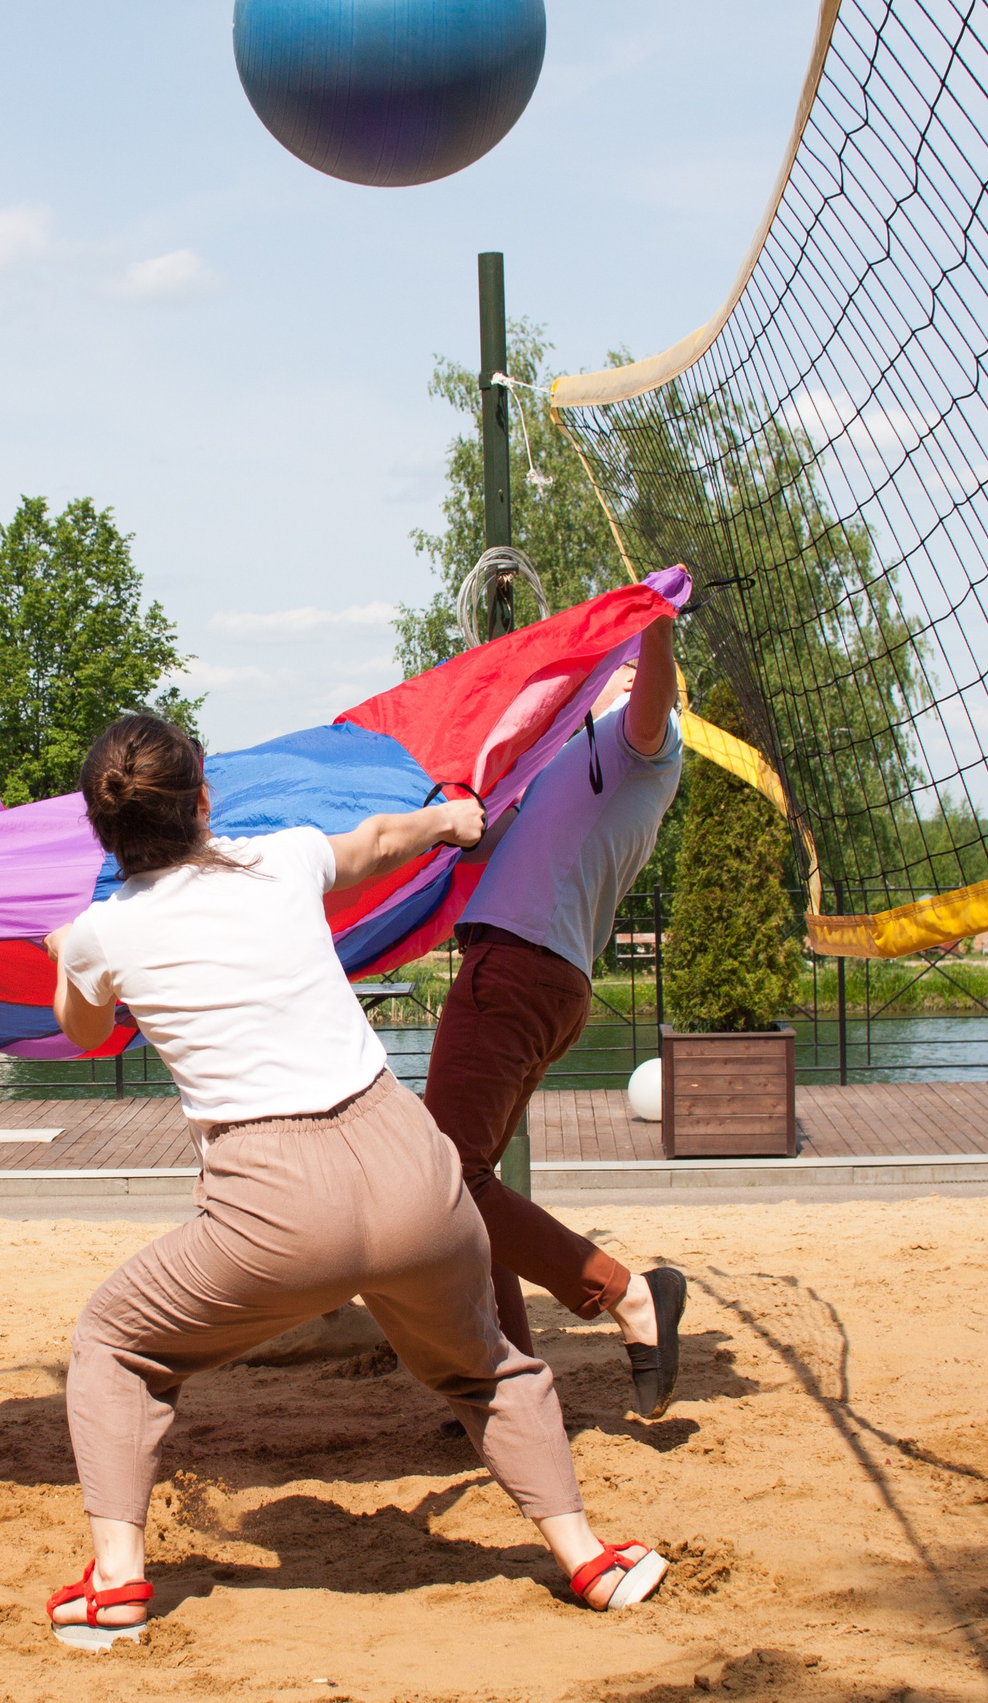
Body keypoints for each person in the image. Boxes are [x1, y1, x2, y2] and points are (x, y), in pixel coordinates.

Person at [40, 714, 668, 1646]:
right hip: (414, 1169)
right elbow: (378, 839)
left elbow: (85, 1032)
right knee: (486, 1367)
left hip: (274, 1206)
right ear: (205, 800)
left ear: (104, 833)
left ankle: (120, 1581)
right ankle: (586, 1555)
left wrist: (67, 956)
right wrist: (455, 824)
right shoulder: (280, 860)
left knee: (112, 1342)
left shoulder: (101, 931)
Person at [424, 581, 690, 1417]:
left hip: (521, 970)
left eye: (606, 667)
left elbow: (649, 699)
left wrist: (648, 624)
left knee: (443, 1181)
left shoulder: (642, 744)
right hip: (523, 969)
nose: (596, 675)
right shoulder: (568, 764)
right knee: (467, 1182)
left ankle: (629, 1294)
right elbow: (484, 832)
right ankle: (503, 1383)